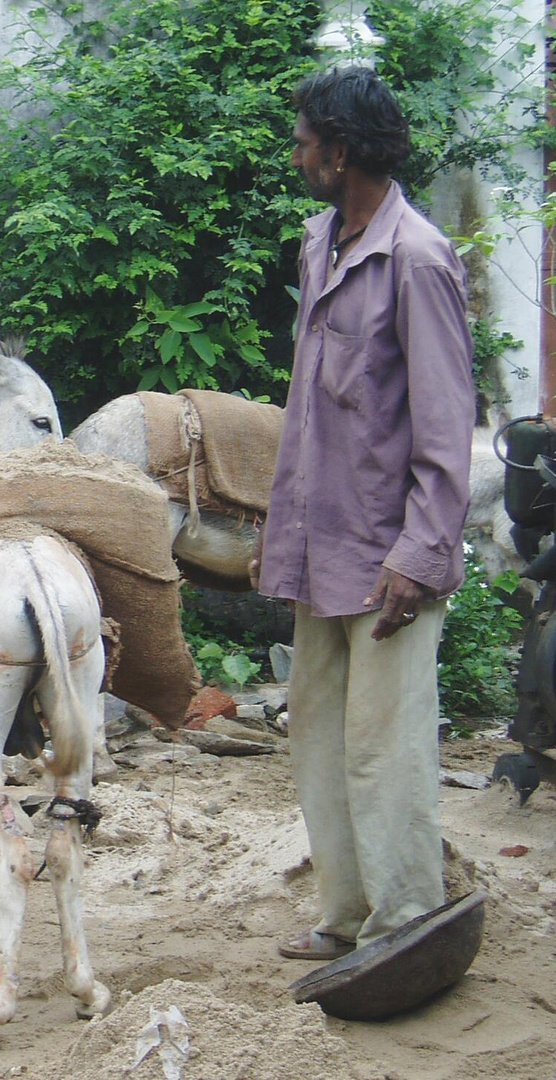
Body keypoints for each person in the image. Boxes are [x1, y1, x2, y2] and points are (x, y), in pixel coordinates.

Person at [251, 65, 475, 960]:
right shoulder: (320, 244)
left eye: (306, 139)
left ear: (341, 152)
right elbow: (316, 411)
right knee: (320, 738)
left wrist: (419, 555)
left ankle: (409, 927)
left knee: (387, 753)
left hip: (390, 564)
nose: (296, 152)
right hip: (320, 549)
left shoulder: (417, 260)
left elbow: (446, 426)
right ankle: (347, 918)